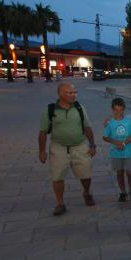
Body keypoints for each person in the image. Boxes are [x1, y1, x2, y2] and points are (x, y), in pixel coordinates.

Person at [38, 82, 96, 216]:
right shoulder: (50, 110)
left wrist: (92, 145)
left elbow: (87, 127)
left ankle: (86, 192)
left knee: (86, 174)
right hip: (59, 148)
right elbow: (42, 132)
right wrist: (42, 151)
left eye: (75, 92)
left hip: (80, 146)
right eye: (70, 93)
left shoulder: (79, 108)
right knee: (57, 177)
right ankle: (60, 203)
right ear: (60, 94)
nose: (74, 95)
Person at [102, 98, 131, 202]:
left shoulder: (129, 121)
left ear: (124, 109)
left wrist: (123, 143)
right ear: (112, 109)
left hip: (128, 152)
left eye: (121, 110)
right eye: (116, 110)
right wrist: (115, 142)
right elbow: (105, 137)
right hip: (116, 152)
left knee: (130, 172)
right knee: (119, 172)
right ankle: (123, 192)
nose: (118, 112)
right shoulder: (110, 122)